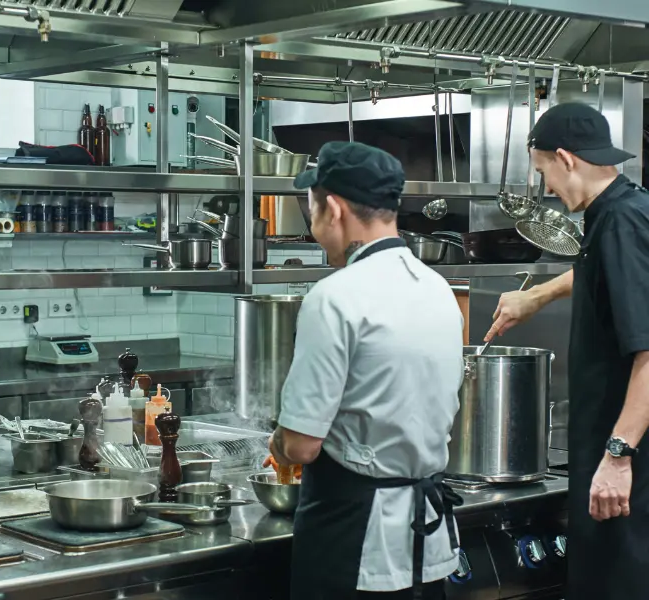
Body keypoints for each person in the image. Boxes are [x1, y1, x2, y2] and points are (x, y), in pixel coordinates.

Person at [267, 141, 464, 599]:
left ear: (332, 209)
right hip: (424, 545)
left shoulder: (334, 297)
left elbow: (301, 445)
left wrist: (278, 439)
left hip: (352, 541)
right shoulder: (438, 289)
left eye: (311, 208)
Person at [484, 102, 649, 599]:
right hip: (612, 457)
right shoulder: (621, 211)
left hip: (625, 466)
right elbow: (601, 272)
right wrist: (536, 295)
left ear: (565, 159)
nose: (548, 189)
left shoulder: (622, 222)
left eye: (543, 173)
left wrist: (618, 456)